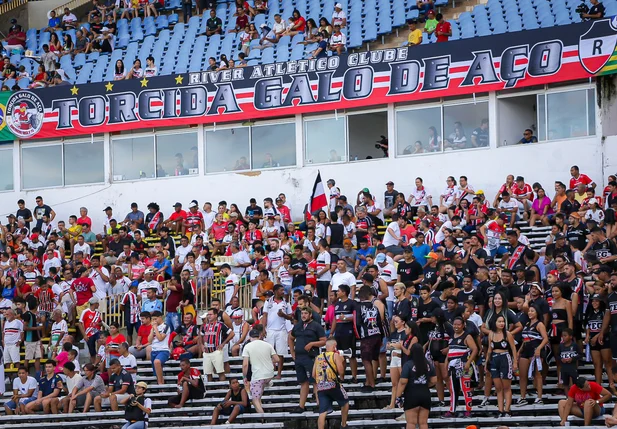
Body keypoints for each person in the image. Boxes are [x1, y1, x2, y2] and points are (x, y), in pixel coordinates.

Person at [289, 305, 327, 413]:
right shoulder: (297, 326)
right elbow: (291, 338)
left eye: (306, 313)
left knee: (315, 381)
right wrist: (292, 352)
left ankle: (320, 404)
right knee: (303, 382)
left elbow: (324, 340)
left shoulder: (316, 326)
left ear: (310, 314)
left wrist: (312, 343)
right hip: (299, 357)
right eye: (302, 314)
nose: (303, 316)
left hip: (311, 356)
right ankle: (301, 406)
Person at [395, 343, 436, 429]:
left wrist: (398, 396)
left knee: (411, 422)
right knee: (423, 423)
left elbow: (403, 382)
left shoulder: (408, 364)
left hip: (411, 395)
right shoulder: (428, 364)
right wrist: (423, 384)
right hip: (425, 394)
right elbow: (434, 380)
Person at [444, 316, 478, 418]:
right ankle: (452, 410)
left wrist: (468, 362)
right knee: (453, 389)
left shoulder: (467, 336)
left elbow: (475, 349)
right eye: (455, 324)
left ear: (463, 325)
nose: (456, 326)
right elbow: (449, 352)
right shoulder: (452, 336)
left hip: (464, 366)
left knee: (466, 388)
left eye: (459, 324)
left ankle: (468, 410)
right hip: (453, 366)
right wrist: (446, 365)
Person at [486, 314, 518, 417]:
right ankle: (500, 410)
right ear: (494, 322)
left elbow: (513, 348)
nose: (502, 324)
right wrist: (487, 363)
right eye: (499, 321)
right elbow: (489, 350)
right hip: (494, 359)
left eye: (503, 322)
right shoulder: (491, 334)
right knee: (498, 387)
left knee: (506, 387)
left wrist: (515, 362)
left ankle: (507, 410)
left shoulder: (507, 334)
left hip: (505, 358)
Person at [313, 338, 349, 429]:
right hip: (333, 384)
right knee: (345, 403)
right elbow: (341, 370)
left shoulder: (318, 357)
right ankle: (343, 425)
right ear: (334, 346)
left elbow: (313, 374)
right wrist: (342, 377)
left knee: (322, 412)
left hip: (321, 387)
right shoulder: (335, 355)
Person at [516, 305, 549, 406]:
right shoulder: (526, 323)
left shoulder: (540, 324)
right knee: (522, 375)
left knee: (537, 374)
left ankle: (539, 397)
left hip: (535, 349)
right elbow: (524, 339)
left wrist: (539, 348)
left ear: (537, 313)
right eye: (529, 311)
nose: (530, 313)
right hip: (525, 349)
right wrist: (519, 351)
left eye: (532, 311)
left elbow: (546, 339)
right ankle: (523, 397)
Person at [242, 328, 279, 413]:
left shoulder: (247, 346)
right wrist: (268, 361)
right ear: (259, 336)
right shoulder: (268, 345)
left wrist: (244, 376)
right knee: (259, 396)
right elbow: (277, 359)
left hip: (258, 375)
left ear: (250, 337)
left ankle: (263, 418)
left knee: (255, 400)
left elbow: (245, 365)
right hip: (269, 374)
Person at [148, 310, 170, 385]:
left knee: (157, 362)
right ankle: (160, 386)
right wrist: (152, 329)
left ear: (160, 317)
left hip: (163, 350)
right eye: (153, 319)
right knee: (156, 372)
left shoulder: (166, 326)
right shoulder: (153, 327)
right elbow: (149, 340)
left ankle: (161, 384)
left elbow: (160, 338)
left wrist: (156, 328)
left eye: (155, 319)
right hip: (154, 350)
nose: (154, 321)